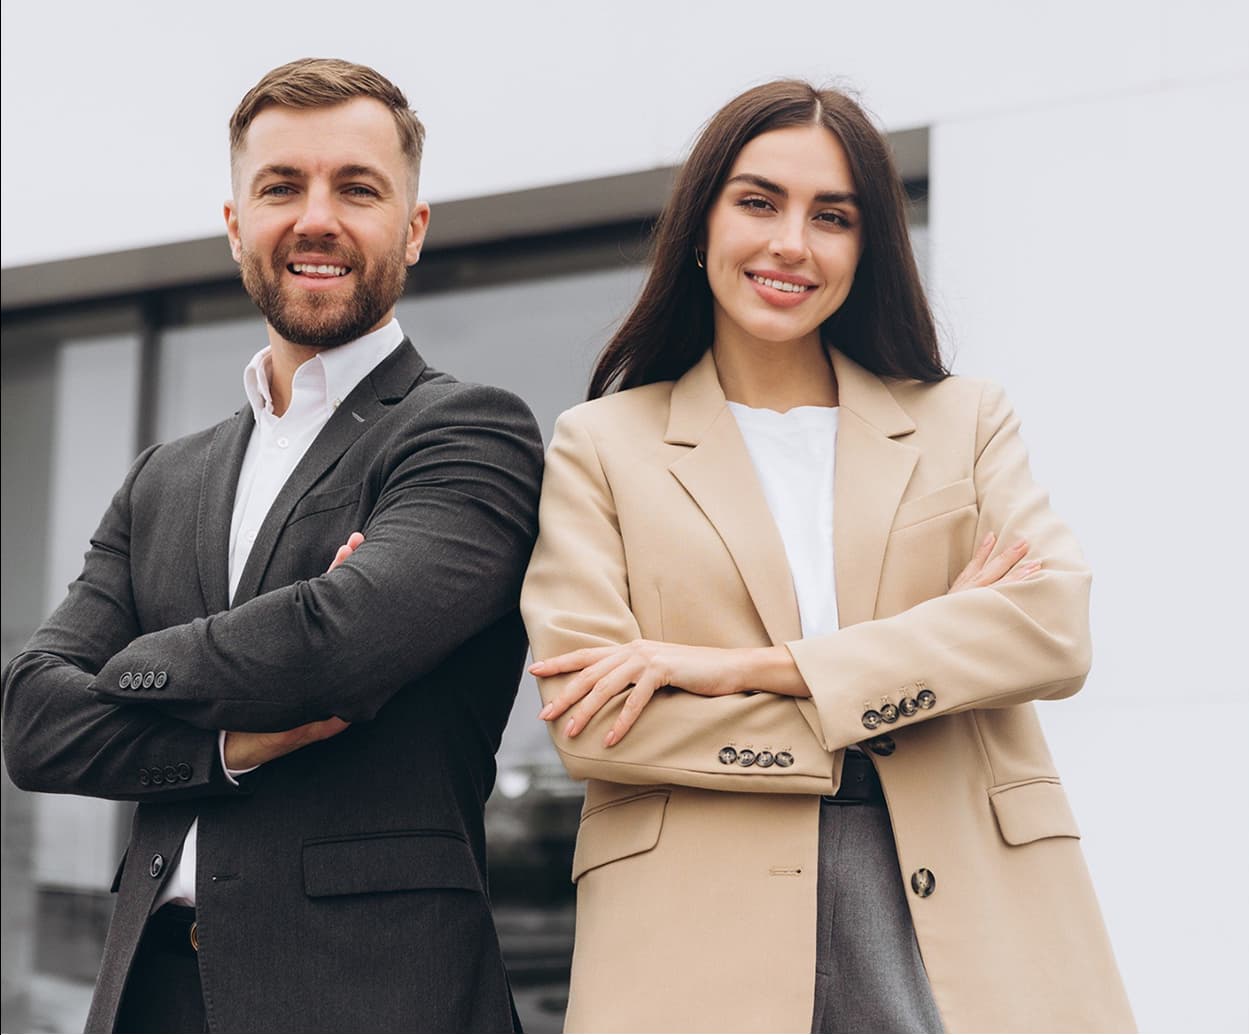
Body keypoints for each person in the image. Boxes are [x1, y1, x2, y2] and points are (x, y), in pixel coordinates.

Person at [521, 80, 1135, 1033]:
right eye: (758, 202)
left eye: (833, 216)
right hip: (696, 926)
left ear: (868, 245)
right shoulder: (602, 444)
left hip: (964, 898)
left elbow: (1052, 630)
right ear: (701, 223)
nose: (790, 244)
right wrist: (928, 656)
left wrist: (738, 670)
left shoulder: (961, 421)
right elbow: (594, 722)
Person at [2, 58, 543, 1033]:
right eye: (281, 186)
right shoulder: (164, 476)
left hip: (371, 995)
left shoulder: (467, 433)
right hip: (151, 993)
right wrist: (224, 743)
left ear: (413, 231)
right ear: (235, 225)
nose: (316, 218)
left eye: (358, 188)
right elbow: (34, 722)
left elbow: (336, 649)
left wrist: (130, 664)